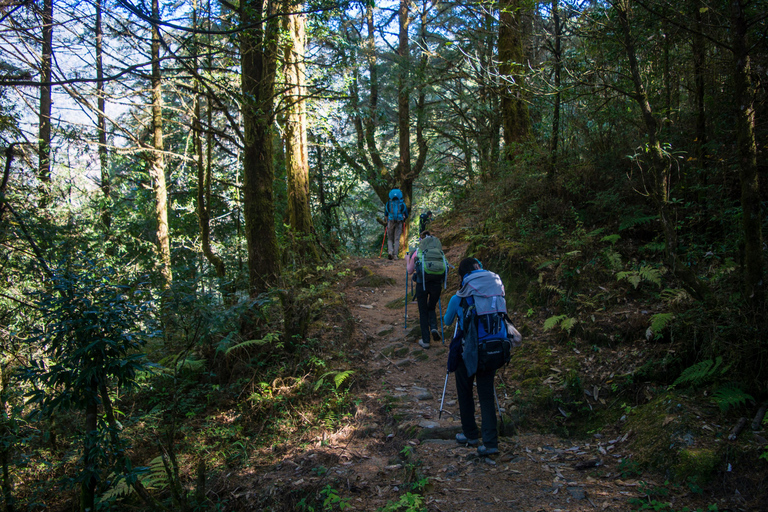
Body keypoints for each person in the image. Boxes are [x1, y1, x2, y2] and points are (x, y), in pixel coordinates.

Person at [443, 257, 504, 456]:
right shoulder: (493, 292)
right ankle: (490, 442)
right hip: (491, 348)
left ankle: (470, 434)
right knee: (486, 395)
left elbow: (447, 321)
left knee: (465, 391)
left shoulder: (459, 296)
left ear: (462, 277)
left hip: (466, 351)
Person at [406, 231, 445, 349]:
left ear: (421, 241)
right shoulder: (439, 253)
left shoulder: (418, 252)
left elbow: (409, 270)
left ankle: (426, 340)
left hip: (422, 284)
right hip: (437, 284)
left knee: (423, 311)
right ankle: (434, 327)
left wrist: (407, 259)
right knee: (431, 307)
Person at [385, 188, 409, 260]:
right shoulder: (402, 204)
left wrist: (387, 222)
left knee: (390, 238)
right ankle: (395, 255)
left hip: (390, 221)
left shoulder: (388, 203)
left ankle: (390, 252)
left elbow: (386, 214)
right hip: (399, 222)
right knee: (396, 239)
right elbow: (406, 215)